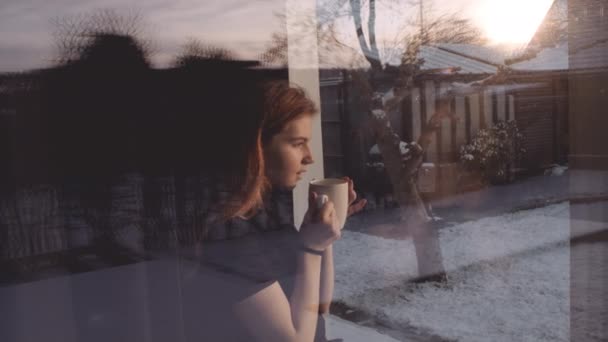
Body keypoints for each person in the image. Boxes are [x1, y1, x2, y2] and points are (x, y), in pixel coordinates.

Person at [178, 80, 366, 342]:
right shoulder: (229, 232)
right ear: (258, 146)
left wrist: (326, 234)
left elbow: (319, 306)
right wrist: (311, 249)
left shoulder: (267, 212)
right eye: (297, 143)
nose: (309, 157)